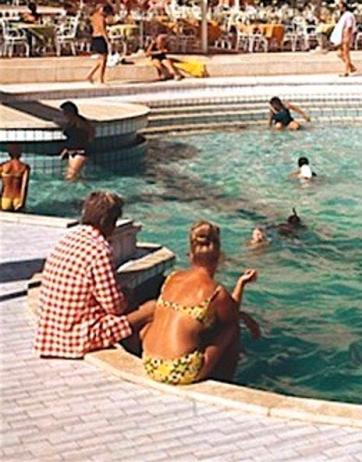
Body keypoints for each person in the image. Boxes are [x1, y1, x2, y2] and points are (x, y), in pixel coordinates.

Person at [35, 191, 155, 359]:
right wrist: (126, 297)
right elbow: (115, 307)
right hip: (76, 337)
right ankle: (141, 353)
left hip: (51, 333)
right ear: (108, 222)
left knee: (128, 303)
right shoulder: (99, 251)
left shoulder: (68, 239)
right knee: (152, 308)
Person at [141, 221, 259, 385]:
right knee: (232, 328)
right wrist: (241, 285)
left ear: (191, 255)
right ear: (218, 257)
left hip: (149, 362)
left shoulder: (173, 277)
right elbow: (231, 316)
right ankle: (226, 382)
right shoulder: (216, 292)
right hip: (177, 369)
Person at [59, 101, 96, 181]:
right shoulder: (70, 122)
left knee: (70, 176)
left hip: (80, 152)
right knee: (74, 176)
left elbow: (91, 131)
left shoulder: (79, 122)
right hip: (72, 151)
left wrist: (85, 145)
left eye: (64, 112)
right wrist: (66, 149)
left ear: (70, 112)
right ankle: (84, 185)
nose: (63, 115)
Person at [85, 4, 115, 85]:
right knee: (103, 60)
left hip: (95, 37)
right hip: (100, 37)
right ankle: (101, 79)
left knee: (102, 60)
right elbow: (102, 29)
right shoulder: (101, 18)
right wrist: (108, 40)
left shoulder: (94, 16)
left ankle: (90, 75)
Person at [1, 143, 30, 212]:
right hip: (18, 199)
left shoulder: (3, 166)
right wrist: (22, 202)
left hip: (5, 198)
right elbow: (24, 186)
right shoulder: (24, 167)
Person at [336, 1, 356, 77]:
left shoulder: (348, 15)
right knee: (339, 53)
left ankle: (346, 71)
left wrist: (347, 37)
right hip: (342, 36)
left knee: (346, 54)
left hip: (346, 36)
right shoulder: (344, 15)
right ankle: (351, 67)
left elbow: (349, 26)